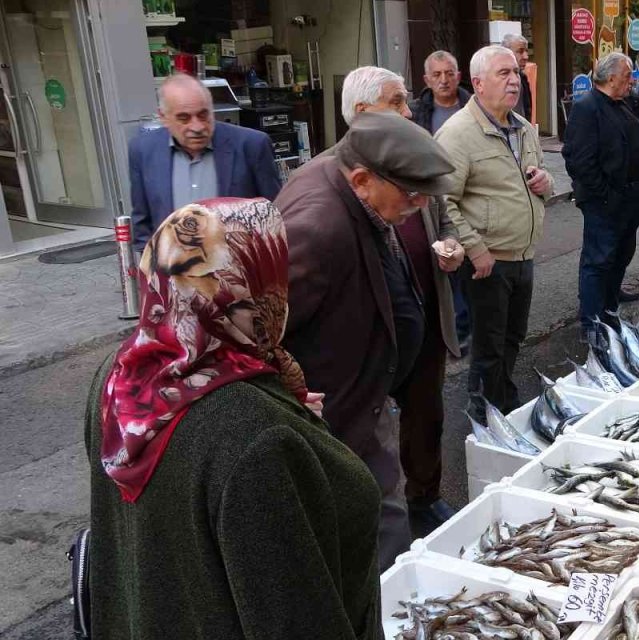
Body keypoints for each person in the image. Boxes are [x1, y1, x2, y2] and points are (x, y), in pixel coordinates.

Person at [86, 198, 380, 639]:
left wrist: (297, 427)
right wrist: (290, 436)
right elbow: (294, 617)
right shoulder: (256, 437)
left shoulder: (117, 377)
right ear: (251, 284)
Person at [279, 111, 456, 571]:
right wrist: (294, 396)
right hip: (335, 413)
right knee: (380, 523)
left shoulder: (352, 183)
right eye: (412, 195)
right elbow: (264, 330)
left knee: (372, 519)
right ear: (361, 179)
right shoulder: (317, 227)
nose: (420, 207)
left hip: (363, 394)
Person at [343, 65, 467, 536]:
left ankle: (425, 497)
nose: (408, 110)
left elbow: (443, 216)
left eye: (404, 101)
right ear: (361, 112)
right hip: (376, 329)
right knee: (370, 430)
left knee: (426, 415)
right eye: (395, 102)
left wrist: (452, 247)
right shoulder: (343, 174)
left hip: (425, 313)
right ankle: (380, 517)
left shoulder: (412, 154)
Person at [436, 45, 552, 414]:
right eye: (504, 73)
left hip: (523, 254)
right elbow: (442, 202)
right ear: (478, 82)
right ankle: (488, 409)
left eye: (516, 73)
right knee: (489, 343)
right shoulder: (457, 133)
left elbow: (541, 179)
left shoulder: (522, 129)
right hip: (488, 261)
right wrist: (475, 249)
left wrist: (546, 183)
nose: (514, 80)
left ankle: (498, 397)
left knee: (514, 337)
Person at [128, 74, 280, 250]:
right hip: (173, 271)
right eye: (184, 118)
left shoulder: (251, 145)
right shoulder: (143, 150)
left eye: (203, 115)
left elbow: (275, 214)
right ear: (164, 117)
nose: (197, 127)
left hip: (237, 268)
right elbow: (142, 222)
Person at [564, 52, 639, 331]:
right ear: (612, 77)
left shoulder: (621, 103)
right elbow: (578, 161)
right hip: (607, 201)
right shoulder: (587, 106)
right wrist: (606, 195)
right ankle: (592, 325)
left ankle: (609, 309)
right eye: (628, 75)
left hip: (632, 197)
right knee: (599, 260)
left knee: (621, 254)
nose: (632, 81)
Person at [411, 51, 474, 357]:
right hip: (431, 199)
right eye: (436, 75)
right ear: (426, 80)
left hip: (468, 196)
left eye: (449, 73)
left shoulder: (474, 106)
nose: (444, 80)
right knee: (442, 268)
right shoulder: (416, 113)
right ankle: (451, 331)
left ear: (459, 76)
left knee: (467, 266)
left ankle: (465, 328)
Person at [502, 33, 535, 122]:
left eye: (526, 51)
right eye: (520, 51)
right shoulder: (500, 81)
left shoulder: (522, 77)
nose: (526, 56)